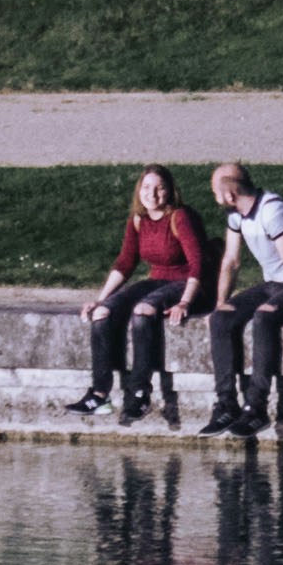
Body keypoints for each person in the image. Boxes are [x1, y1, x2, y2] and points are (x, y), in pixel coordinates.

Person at [69, 167, 211, 423]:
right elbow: (126, 262)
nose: (152, 194)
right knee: (102, 314)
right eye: (146, 187)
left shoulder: (180, 217)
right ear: (138, 191)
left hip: (188, 283)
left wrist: (185, 302)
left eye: (159, 188)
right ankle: (100, 393)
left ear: (170, 191)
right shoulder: (138, 219)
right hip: (156, 280)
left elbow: (198, 263)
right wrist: (100, 299)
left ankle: (139, 393)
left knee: (143, 310)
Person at [199, 163, 283, 438]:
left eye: (215, 192)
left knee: (264, 317)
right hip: (273, 284)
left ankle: (256, 408)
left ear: (230, 193)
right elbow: (231, 262)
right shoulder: (237, 216)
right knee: (222, 319)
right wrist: (220, 302)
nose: (214, 198)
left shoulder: (273, 211)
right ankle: (225, 404)